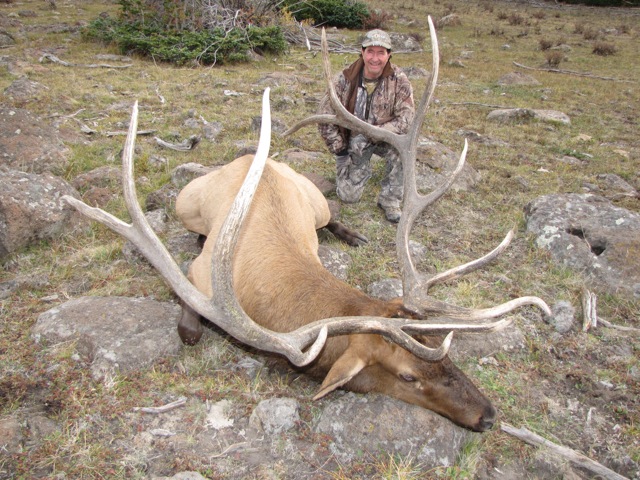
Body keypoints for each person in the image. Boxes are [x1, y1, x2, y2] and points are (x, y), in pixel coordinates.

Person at [318, 29, 415, 223]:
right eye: (370, 51)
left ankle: (390, 200)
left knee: (403, 150)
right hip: (354, 143)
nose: (375, 58)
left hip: (385, 138)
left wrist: (376, 133)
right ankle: (353, 170)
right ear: (362, 52)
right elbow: (325, 118)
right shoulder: (344, 79)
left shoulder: (399, 80)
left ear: (389, 55)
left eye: (381, 52)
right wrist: (340, 151)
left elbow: (406, 118)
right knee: (348, 197)